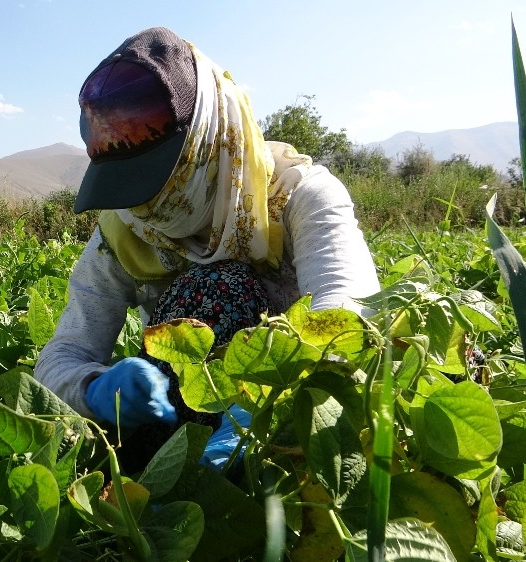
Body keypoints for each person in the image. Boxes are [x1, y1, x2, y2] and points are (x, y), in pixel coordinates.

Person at [33, 26, 381, 473]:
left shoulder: (300, 196)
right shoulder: (122, 231)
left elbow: (350, 318)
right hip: (178, 436)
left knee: (221, 284)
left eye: (159, 179)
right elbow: (62, 356)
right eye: (129, 187)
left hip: (298, 427)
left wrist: (270, 403)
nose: (145, 206)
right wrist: (95, 387)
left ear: (208, 141)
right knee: (215, 287)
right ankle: (181, 481)